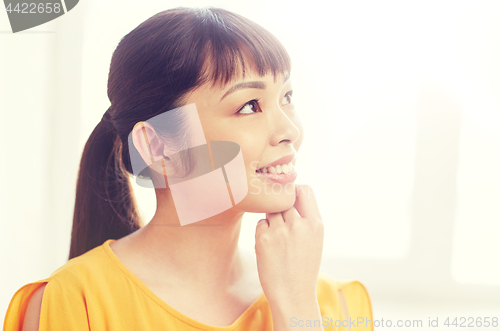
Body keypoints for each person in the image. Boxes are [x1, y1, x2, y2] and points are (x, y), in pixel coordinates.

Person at [3, 7, 373, 331]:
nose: (290, 131)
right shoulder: (74, 303)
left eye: (287, 98)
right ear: (159, 146)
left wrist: (295, 309)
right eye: (249, 106)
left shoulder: (333, 305)